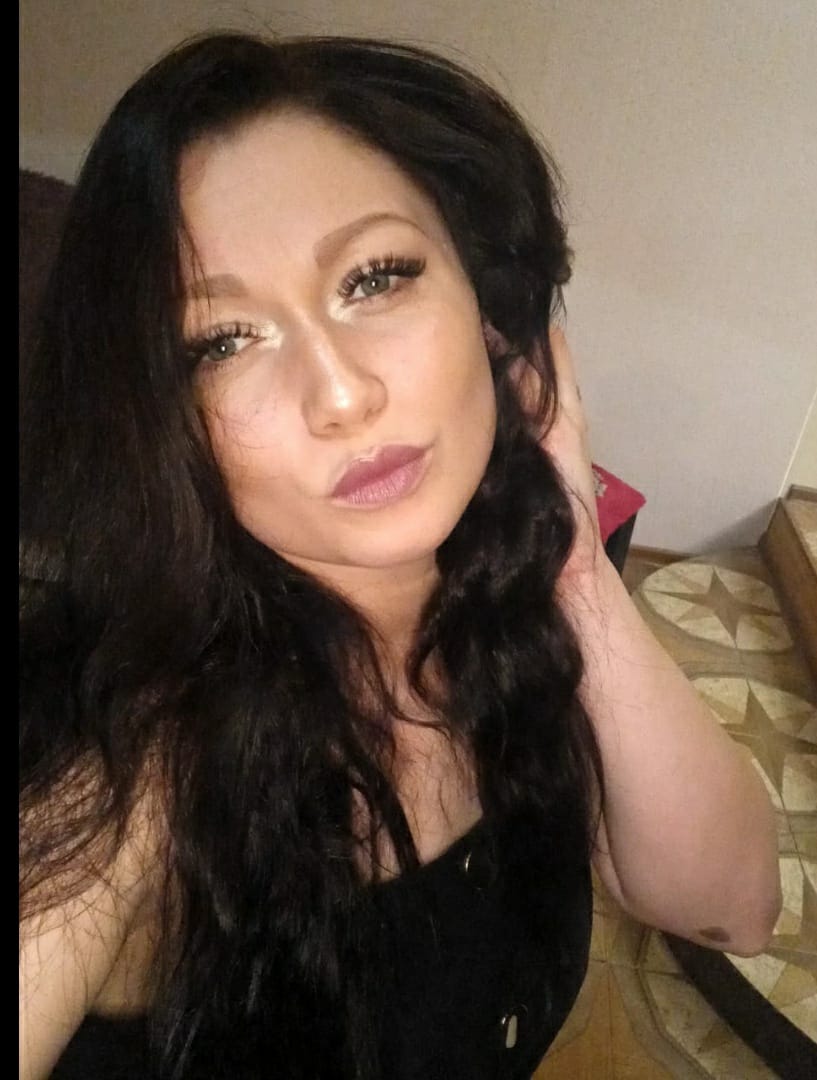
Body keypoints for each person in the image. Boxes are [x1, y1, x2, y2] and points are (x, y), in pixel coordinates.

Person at [19, 30, 781, 1080]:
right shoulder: (124, 755)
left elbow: (733, 910)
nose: (340, 394)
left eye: (374, 278)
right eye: (222, 341)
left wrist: (575, 570)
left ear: (492, 316)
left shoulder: (503, 601)